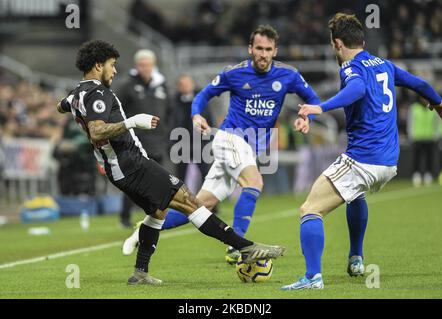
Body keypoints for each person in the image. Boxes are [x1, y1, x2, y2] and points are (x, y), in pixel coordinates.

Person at [56, 40, 286, 285]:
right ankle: (245, 247)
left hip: (119, 167)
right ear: (98, 65)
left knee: (158, 212)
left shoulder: (77, 93)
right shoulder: (97, 92)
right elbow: (97, 131)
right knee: (189, 200)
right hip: (130, 163)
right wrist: (132, 122)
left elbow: (61, 106)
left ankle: (140, 273)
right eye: (112, 65)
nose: (115, 71)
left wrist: (75, 106)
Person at [123, 25, 320, 264]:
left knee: (198, 205)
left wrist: (305, 117)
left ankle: (144, 228)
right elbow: (202, 95)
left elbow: (313, 100)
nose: (263, 54)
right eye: (259, 48)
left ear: (275, 51)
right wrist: (196, 115)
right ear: (250, 49)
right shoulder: (233, 73)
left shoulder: (288, 75)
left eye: (268, 49)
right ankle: (238, 247)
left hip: (251, 148)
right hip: (230, 138)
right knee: (255, 182)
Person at [281, 13, 442, 290]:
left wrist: (320, 107)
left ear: (337, 44)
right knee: (354, 194)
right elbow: (417, 83)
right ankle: (356, 258)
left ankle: (312, 277)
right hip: (388, 162)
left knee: (309, 209)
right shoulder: (384, 64)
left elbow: (357, 89)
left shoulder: (350, 68)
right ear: (362, 39)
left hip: (364, 158)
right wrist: (438, 101)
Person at [116, 49, 172, 228]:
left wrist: (166, 131)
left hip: (158, 142)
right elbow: (118, 110)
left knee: (159, 180)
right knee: (133, 180)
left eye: (147, 65)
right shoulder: (128, 86)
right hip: (136, 142)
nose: (144, 68)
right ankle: (125, 217)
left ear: (153, 65)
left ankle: (155, 217)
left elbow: (170, 112)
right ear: (136, 66)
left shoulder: (161, 86)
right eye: (141, 65)